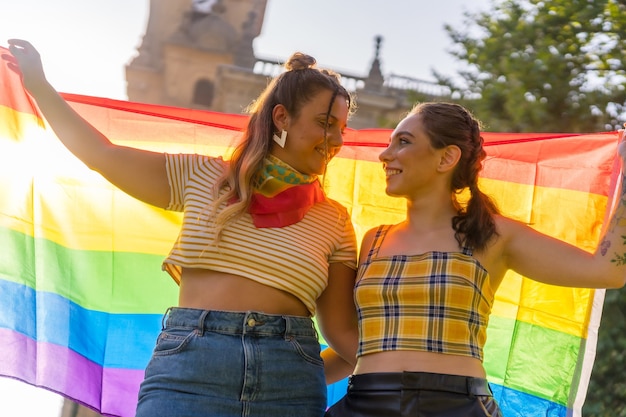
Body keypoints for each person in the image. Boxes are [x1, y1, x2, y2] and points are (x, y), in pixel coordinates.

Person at [5, 39, 360, 417]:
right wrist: (39, 85)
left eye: (341, 128)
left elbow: (344, 337)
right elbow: (101, 154)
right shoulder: (202, 175)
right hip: (190, 372)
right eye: (325, 124)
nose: (336, 141)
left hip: (290, 383)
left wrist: (298, 374)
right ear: (281, 118)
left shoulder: (334, 219)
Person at [324, 102, 626, 417]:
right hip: (364, 403)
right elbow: (356, 342)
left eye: (403, 142)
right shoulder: (374, 239)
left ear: (447, 157)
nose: (385, 155)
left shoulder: (492, 234)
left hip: (456, 406)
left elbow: (607, 271)